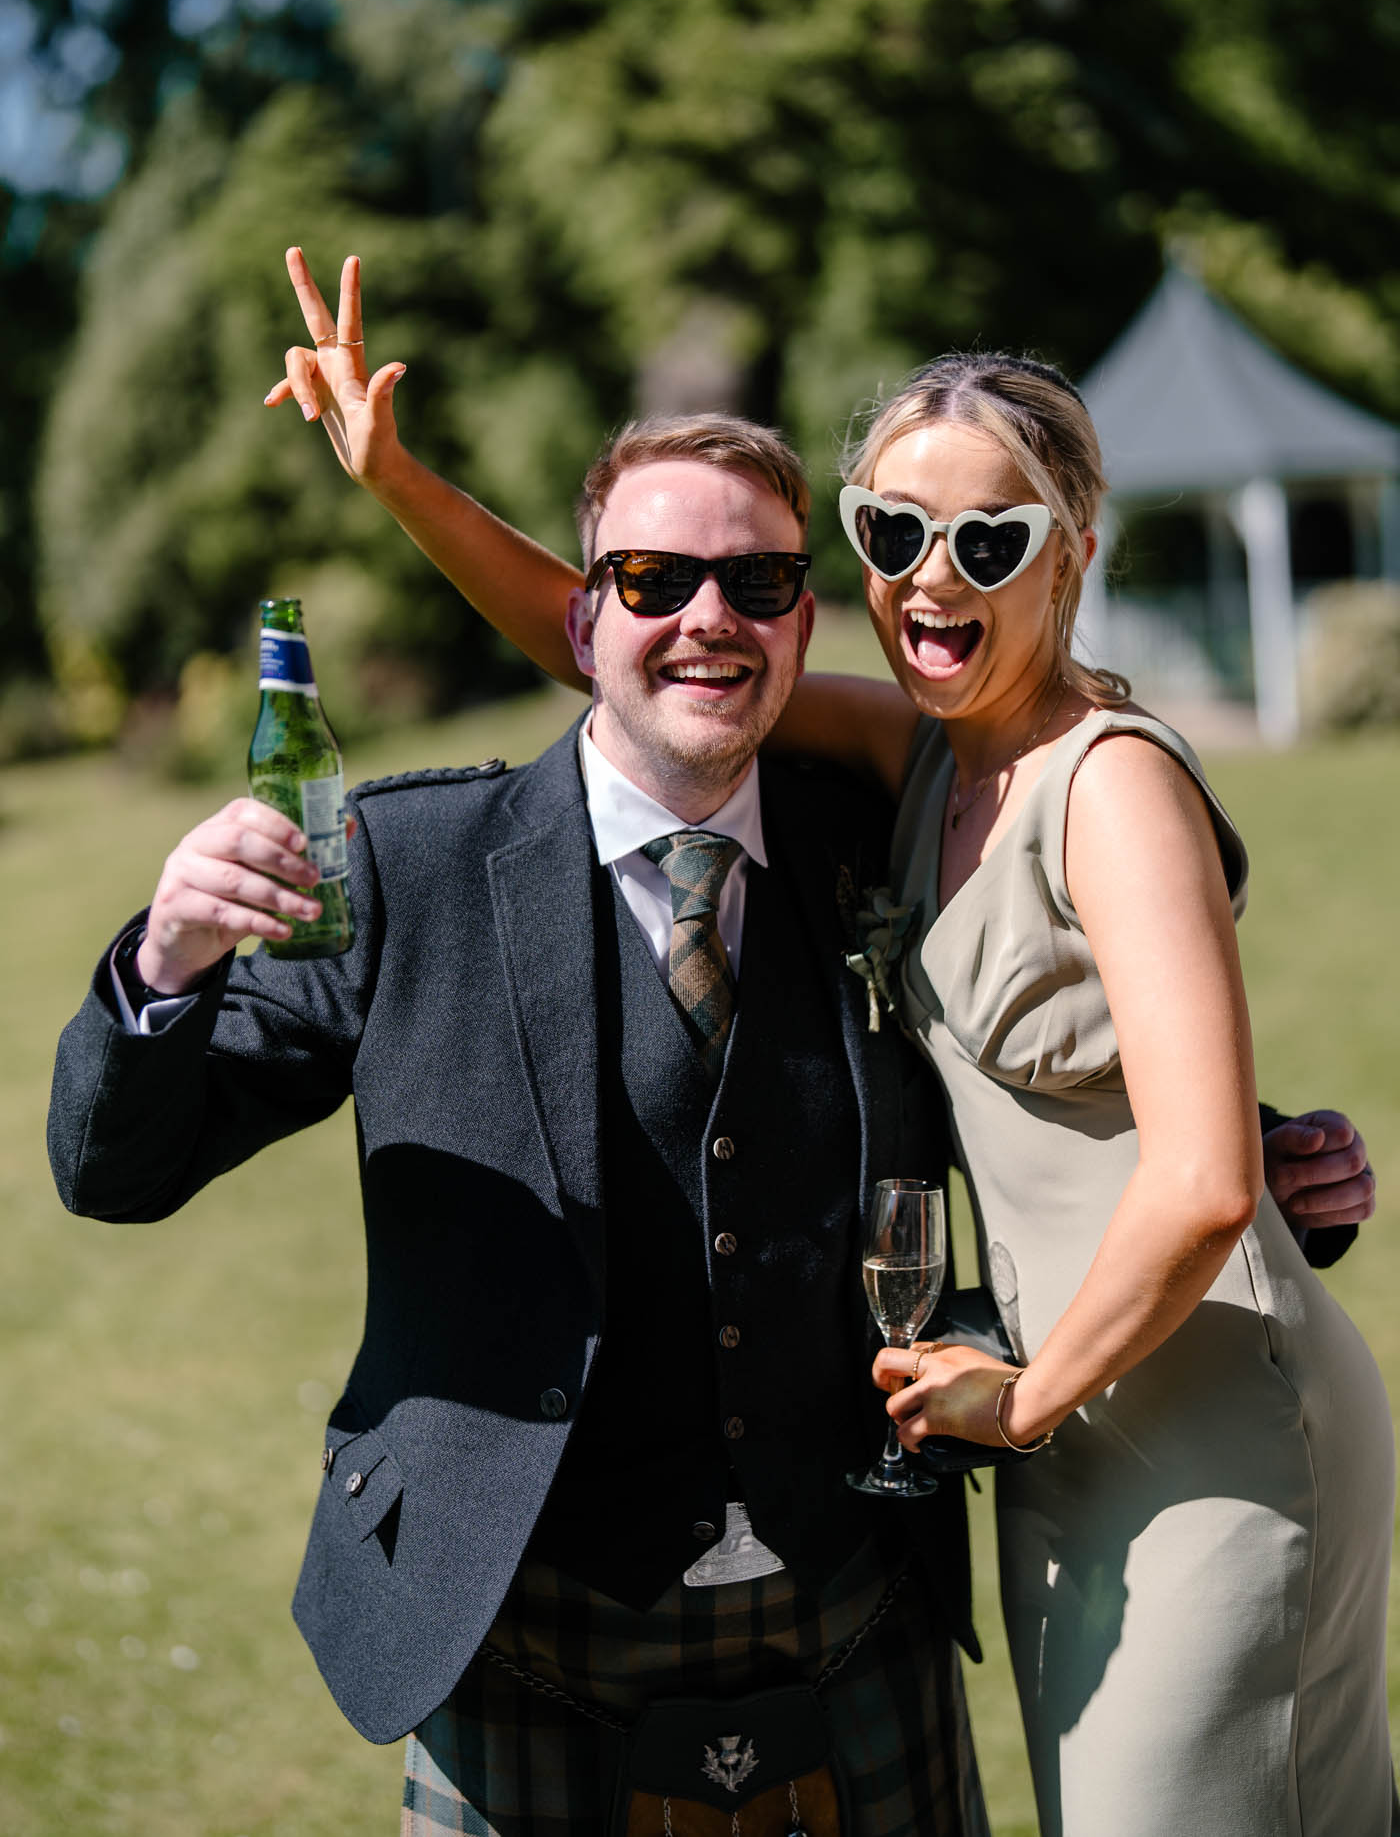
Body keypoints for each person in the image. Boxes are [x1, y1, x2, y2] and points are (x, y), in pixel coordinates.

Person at [258, 257, 1387, 1834]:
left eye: (986, 541)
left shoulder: (1110, 779)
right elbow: (618, 635)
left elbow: (1200, 1186)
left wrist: (1025, 1397)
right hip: (1070, 1405)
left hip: (1177, 1397)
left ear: (1068, 553)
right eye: (894, 532)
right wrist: (396, 480)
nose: (933, 577)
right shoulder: (920, 751)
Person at [49, 398, 991, 1831]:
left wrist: (1255, 1145)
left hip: (857, 1606)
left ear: (803, 627)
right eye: (653, 580)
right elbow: (117, 1171)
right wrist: (167, 958)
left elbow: (1051, 1046)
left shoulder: (887, 845)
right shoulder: (405, 867)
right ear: (580, 621)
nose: (708, 619)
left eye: (759, 582)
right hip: (524, 1629)